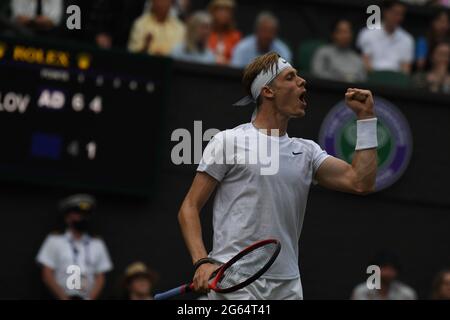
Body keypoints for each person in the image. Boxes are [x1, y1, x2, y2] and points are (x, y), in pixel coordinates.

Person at [178, 52, 378, 300]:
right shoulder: (228, 141)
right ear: (268, 91)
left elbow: (361, 182)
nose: (302, 81)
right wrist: (202, 262)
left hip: (288, 286)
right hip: (233, 281)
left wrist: (366, 118)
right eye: (290, 77)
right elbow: (189, 207)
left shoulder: (307, 152)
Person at [36, 194, 113, 300]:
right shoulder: (55, 241)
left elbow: (100, 277)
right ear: (67, 217)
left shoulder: (97, 244)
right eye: (79, 214)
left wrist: (90, 299)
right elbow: (47, 273)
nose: (83, 218)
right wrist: (63, 297)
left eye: (86, 214)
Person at [356, 0, 414, 74]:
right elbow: (365, 62)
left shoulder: (407, 39)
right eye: (395, 13)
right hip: (371, 78)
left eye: (401, 14)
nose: (398, 17)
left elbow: (405, 69)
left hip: (396, 81)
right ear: (385, 12)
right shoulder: (367, 33)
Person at [351, 252, 417, 300]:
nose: (387, 273)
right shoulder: (361, 291)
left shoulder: (406, 294)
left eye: (391, 269)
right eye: (384, 268)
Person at [207, 0, 241, 65]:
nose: (224, 14)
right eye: (220, 10)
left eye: (227, 11)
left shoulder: (236, 36)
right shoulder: (206, 33)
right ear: (212, 12)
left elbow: (238, 61)